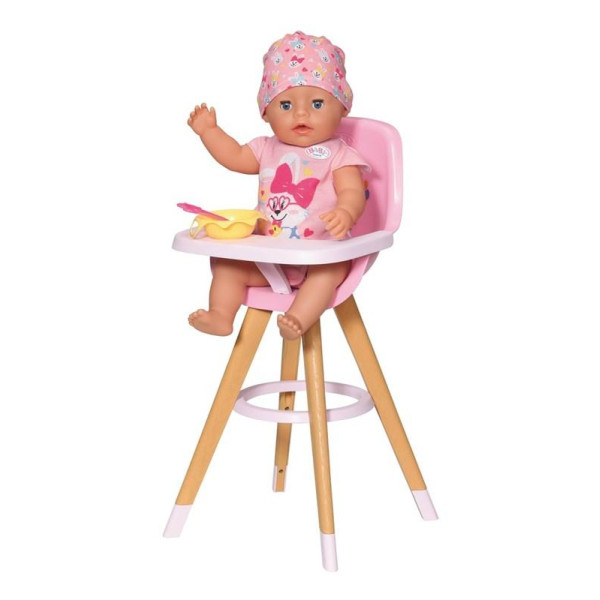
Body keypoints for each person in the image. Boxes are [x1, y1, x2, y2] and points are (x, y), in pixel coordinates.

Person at [187, 31, 369, 340]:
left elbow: (352, 191)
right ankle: (221, 315)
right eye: (285, 105)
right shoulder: (266, 148)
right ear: (266, 112)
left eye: (317, 103)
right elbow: (234, 156)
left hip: (321, 255)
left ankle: (297, 318)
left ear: (342, 108)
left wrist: (346, 213)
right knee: (227, 265)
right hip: (269, 257)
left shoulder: (340, 154)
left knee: (327, 276)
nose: (301, 113)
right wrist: (209, 132)